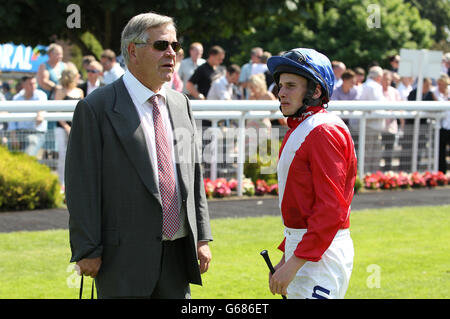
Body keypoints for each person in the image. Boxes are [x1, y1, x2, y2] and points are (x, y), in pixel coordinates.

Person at [66, 12, 212, 299]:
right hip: (122, 258)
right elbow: (82, 186)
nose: (171, 53)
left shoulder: (181, 103)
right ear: (132, 51)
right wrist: (87, 249)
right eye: (161, 45)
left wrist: (202, 236)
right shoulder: (96, 107)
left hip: (177, 254)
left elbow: (192, 176)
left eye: (175, 46)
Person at [266, 48, 357, 299]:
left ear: (316, 91)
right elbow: (303, 207)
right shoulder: (303, 127)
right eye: (281, 85)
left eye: (291, 85)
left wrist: (294, 262)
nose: (281, 92)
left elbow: (331, 209)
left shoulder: (322, 131)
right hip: (307, 249)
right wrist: (287, 255)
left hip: (320, 255)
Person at [54, 62, 84, 187]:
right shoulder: (60, 91)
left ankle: (75, 183)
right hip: (62, 128)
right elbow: (56, 110)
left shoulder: (80, 91)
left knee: (78, 156)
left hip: (76, 127)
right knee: (62, 156)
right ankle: (62, 184)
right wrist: (66, 126)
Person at [8, 76, 48, 156]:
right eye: (30, 84)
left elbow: (41, 110)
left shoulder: (40, 95)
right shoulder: (17, 98)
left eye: (34, 83)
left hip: (36, 133)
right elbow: (12, 120)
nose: (33, 86)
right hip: (20, 133)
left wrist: (40, 114)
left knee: (28, 155)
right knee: (10, 153)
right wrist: (13, 136)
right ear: (23, 85)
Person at [358, 66, 386, 173]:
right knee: (371, 152)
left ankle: (368, 173)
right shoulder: (373, 87)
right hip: (372, 125)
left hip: (371, 124)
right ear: (379, 77)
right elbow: (379, 106)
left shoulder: (367, 85)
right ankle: (369, 174)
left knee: (370, 151)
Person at [381, 70, 401, 171]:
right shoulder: (377, 90)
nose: (387, 81)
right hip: (380, 126)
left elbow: (399, 107)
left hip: (391, 126)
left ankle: (387, 170)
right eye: (385, 79)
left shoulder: (395, 91)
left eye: (389, 79)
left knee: (389, 149)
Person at [434, 74, 449, 173]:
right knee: (440, 151)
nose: (440, 86)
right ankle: (441, 172)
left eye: (442, 84)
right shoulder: (434, 92)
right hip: (441, 126)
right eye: (439, 84)